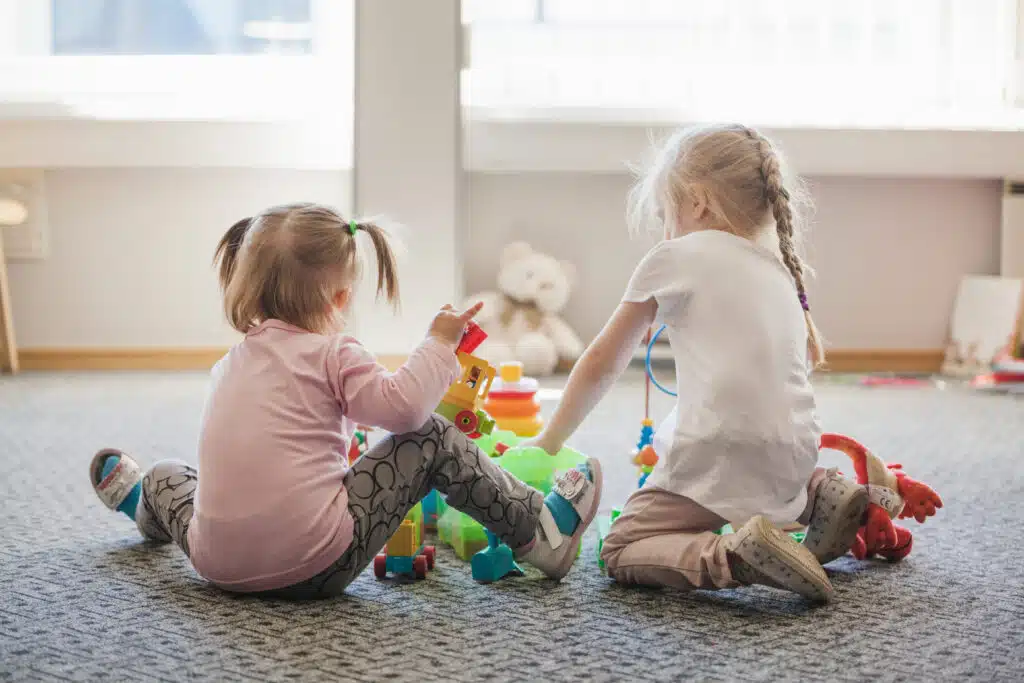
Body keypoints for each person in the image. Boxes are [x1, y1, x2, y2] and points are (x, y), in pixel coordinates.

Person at [89, 202, 601, 598]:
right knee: (430, 437)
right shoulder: (334, 352)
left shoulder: (230, 362)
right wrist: (439, 345)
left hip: (216, 565)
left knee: (164, 474)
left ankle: (144, 511)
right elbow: (404, 410)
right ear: (340, 299)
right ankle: (539, 533)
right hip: (314, 567)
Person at [525, 124, 867, 603]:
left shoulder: (673, 257)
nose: (666, 229)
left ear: (698, 203)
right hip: (795, 448)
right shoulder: (780, 269)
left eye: (667, 212)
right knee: (762, 482)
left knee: (622, 548)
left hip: (717, 450)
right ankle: (816, 494)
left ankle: (733, 555)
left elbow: (603, 361)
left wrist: (549, 439)